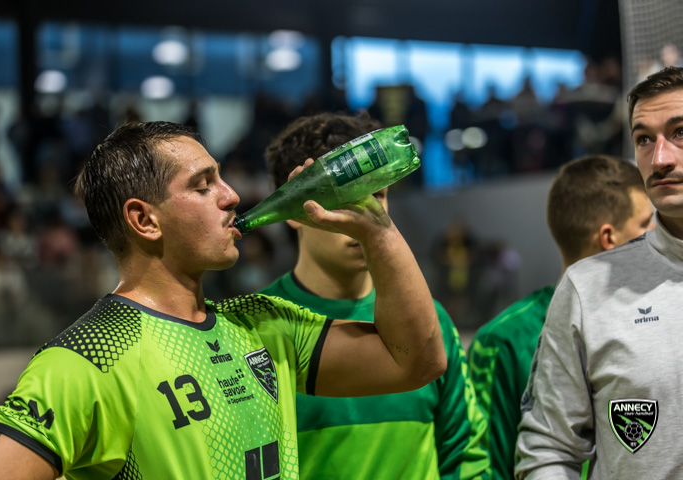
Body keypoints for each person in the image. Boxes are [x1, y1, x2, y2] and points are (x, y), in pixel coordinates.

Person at [0, 121, 447, 479]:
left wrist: (377, 232)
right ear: (144, 220)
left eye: (222, 179)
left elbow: (416, 361)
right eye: (203, 185)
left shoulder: (262, 324)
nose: (232, 195)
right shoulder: (89, 356)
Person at [260, 111, 491, 480]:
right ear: (289, 209)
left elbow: (465, 453)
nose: (364, 213)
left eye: (377, 194)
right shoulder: (257, 329)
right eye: (342, 197)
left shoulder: (430, 321)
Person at [514, 65, 683, 479]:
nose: (660, 159)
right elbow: (547, 450)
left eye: (680, 132)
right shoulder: (586, 288)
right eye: (644, 139)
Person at [468, 154, 655, 480]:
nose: (656, 233)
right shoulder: (504, 340)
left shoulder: (656, 321)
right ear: (609, 239)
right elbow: (486, 468)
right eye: (645, 224)